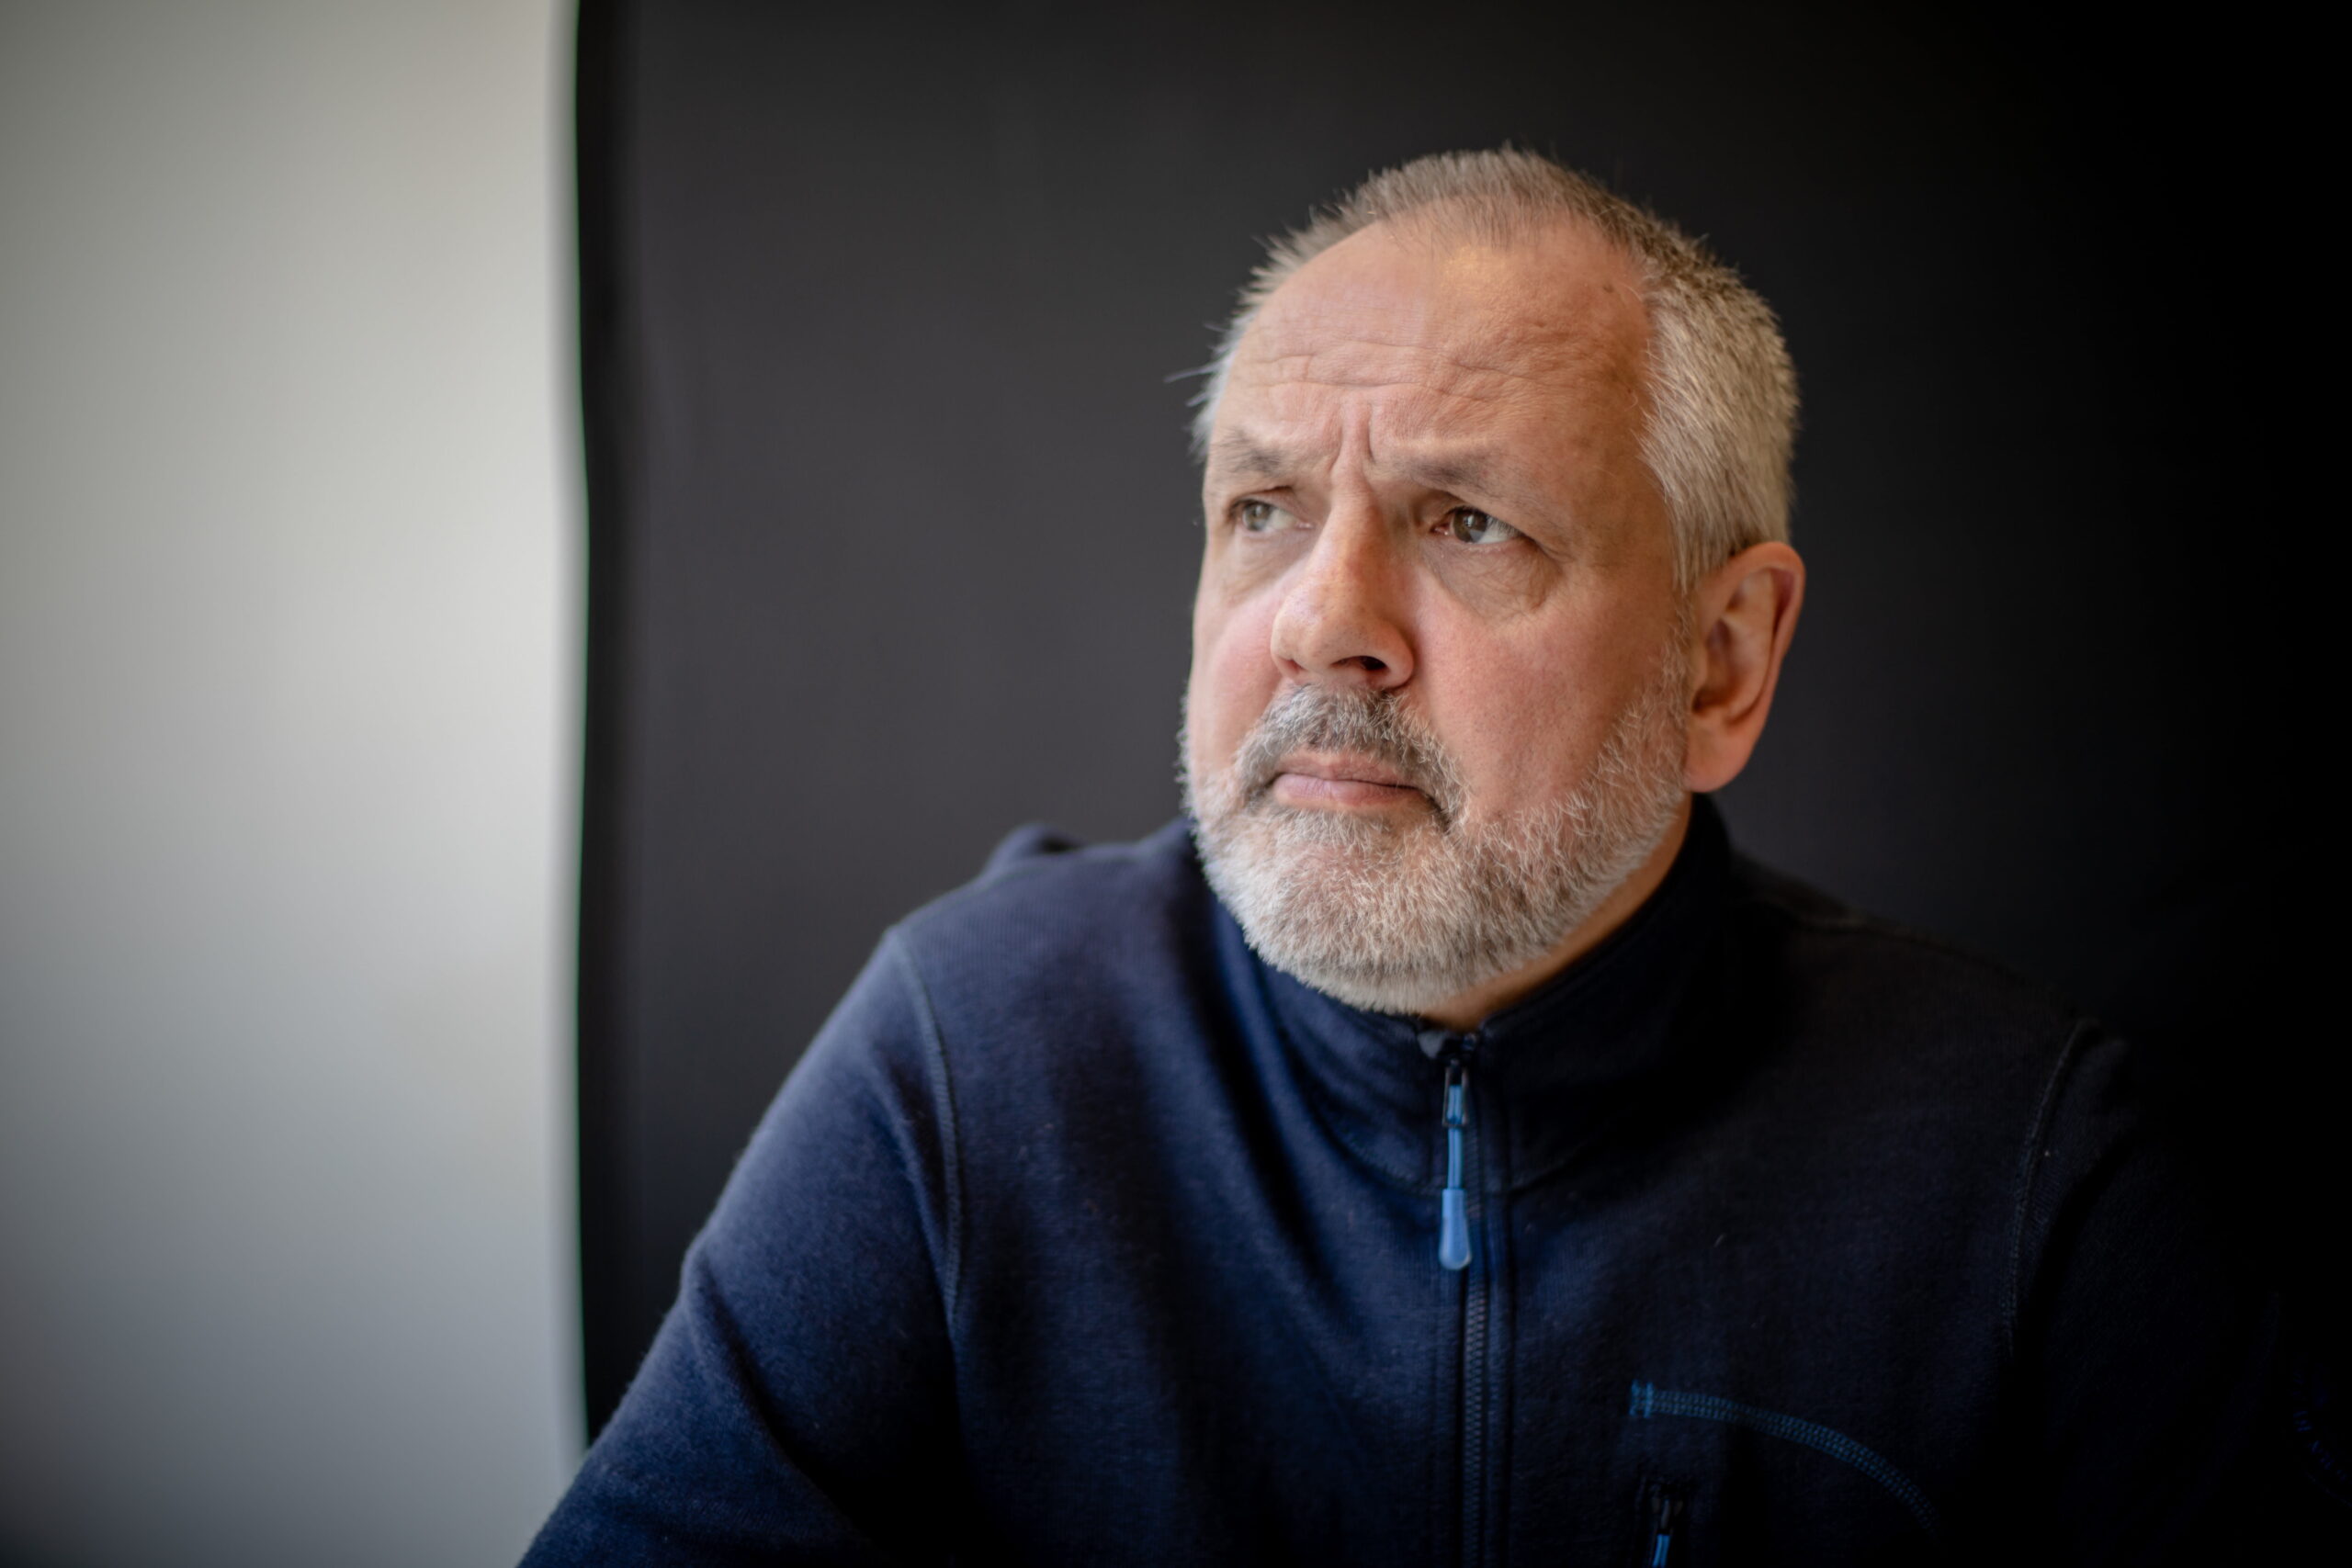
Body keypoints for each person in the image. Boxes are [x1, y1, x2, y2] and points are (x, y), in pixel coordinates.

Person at [525, 149, 2293, 1564]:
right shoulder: (972, 1055)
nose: (1325, 625)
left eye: (1467, 521)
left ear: (1721, 659)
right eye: (1264, 510)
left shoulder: (2022, 1168)